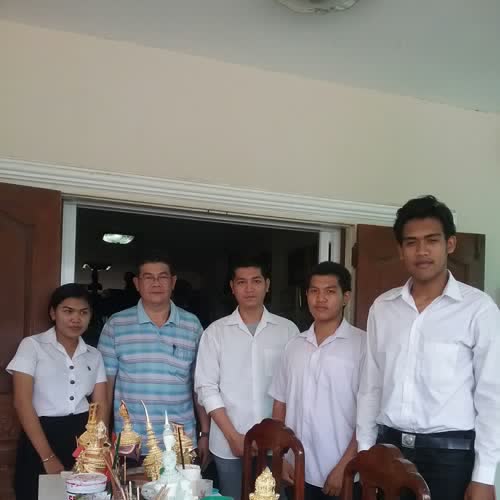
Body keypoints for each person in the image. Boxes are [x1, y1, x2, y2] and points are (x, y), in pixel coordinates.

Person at [356, 195, 500, 500]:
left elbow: (492, 396)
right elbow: (370, 386)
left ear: (450, 244)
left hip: (450, 459)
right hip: (389, 452)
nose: (421, 251)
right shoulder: (383, 308)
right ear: (400, 250)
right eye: (411, 242)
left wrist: (484, 476)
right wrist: (365, 451)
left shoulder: (479, 309)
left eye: (432, 240)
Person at [194, 257, 299, 500]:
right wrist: (233, 437)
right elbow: (206, 387)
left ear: (267, 285)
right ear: (232, 287)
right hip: (228, 443)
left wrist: (278, 440)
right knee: (233, 496)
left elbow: (293, 389)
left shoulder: (288, 331)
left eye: (256, 281)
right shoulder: (215, 332)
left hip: (276, 445)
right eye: (242, 282)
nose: (249, 288)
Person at [97, 252, 210, 466]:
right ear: (137, 283)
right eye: (148, 277)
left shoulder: (192, 325)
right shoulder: (116, 325)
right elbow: (105, 388)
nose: (156, 283)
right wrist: (102, 438)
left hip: (181, 444)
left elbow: (201, 385)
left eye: (162, 277)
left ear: (173, 282)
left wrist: (205, 434)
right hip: (131, 445)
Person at [270, 262, 364, 500]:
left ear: (346, 297)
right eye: (314, 291)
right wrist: (280, 457)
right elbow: (280, 405)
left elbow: (368, 417)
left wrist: (346, 466)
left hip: (342, 473)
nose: (320, 299)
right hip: (295, 470)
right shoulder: (294, 346)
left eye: (330, 291)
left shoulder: (363, 346)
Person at [6, 283, 107, 500]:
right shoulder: (32, 346)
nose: (76, 319)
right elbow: (22, 402)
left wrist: (96, 448)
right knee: (37, 493)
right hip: (40, 435)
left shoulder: (94, 355)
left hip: (82, 438)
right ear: (53, 313)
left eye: (83, 312)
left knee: (82, 495)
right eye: (68, 311)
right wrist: (48, 457)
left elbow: (100, 405)